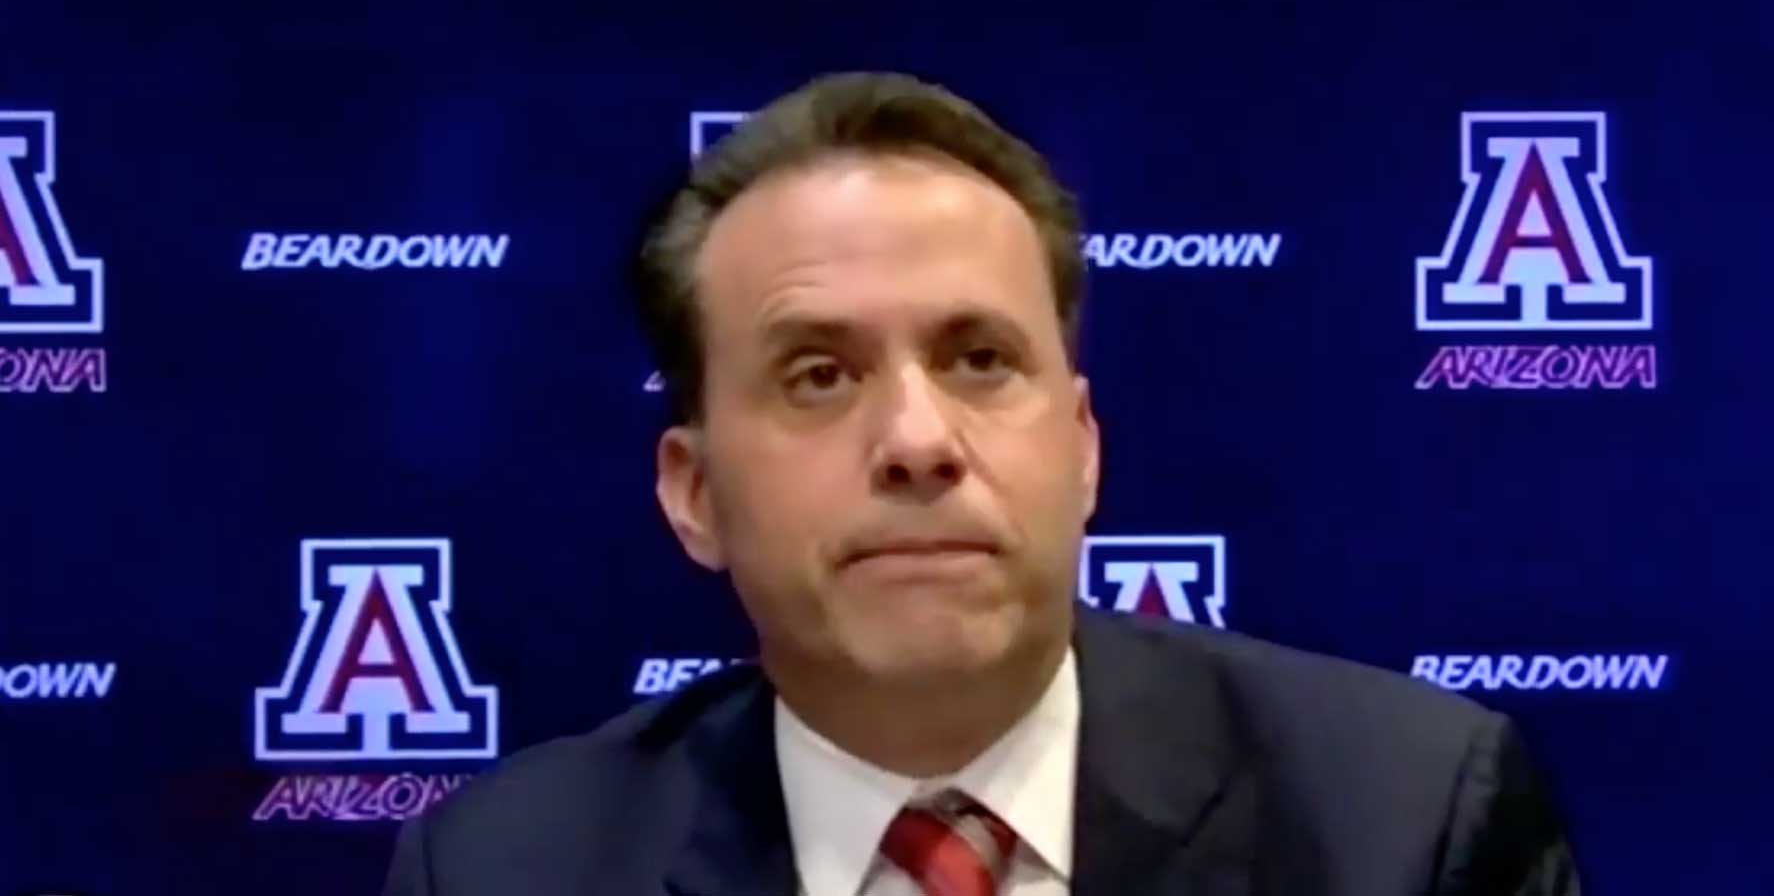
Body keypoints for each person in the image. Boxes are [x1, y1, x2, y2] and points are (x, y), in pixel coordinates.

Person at [382, 72, 1580, 895]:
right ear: (692, 490)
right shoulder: (507, 868)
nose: (916, 437)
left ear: (1082, 445)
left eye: (979, 359)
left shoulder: (1403, 824)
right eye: (816, 375)